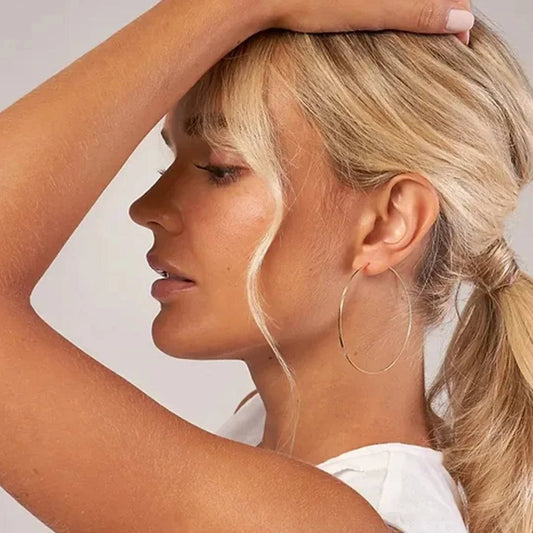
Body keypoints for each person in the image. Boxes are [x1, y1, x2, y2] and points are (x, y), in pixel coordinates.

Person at [1, 0, 530, 531]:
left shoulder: (328, 521)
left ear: (388, 223)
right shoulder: (281, 442)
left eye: (219, 169)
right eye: (170, 163)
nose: (147, 208)